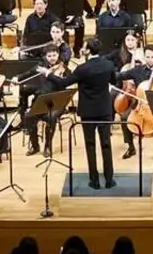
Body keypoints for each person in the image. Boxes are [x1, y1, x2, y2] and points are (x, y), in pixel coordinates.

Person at [47, 40, 118, 189]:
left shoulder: (82, 69)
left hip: (88, 111)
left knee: (90, 145)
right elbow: (114, 80)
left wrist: (49, 74)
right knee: (106, 144)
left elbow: (63, 83)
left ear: (87, 51)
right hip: (105, 110)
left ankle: (94, 181)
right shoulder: (108, 65)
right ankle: (109, 180)